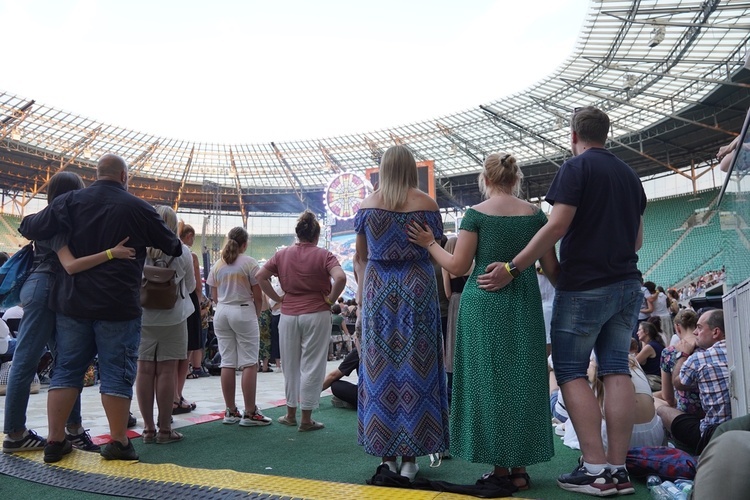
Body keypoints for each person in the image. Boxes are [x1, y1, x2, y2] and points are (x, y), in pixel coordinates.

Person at [473, 107, 646, 496]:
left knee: (569, 370)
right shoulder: (630, 175)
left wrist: (512, 267)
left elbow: (557, 224)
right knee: (616, 369)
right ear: (607, 133)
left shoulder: (577, 168)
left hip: (585, 284)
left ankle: (594, 468)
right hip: (627, 283)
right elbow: (637, 241)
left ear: (573, 136)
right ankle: (617, 470)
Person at [408, 151, 559, 490]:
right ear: (515, 178)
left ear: (486, 179)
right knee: (523, 380)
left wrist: (430, 242)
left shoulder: (475, 214)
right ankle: (519, 467)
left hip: (483, 304)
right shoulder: (536, 215)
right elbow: (552, 270)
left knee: (489, 382)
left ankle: (500, 469)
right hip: (524, 304)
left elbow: (459, 267)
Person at [18, 154, 183, 463]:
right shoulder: (138, 208)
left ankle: (55, 441)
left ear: (97, 174)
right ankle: (119, 442)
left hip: (73, 302)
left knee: (66, 369)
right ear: (124, 176)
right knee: (115, 372)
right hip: (118, 304)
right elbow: (173, 246)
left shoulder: (69, 202)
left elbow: (28, 225)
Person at [3, 171, 135, 456]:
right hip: (48, 287)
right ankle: (15, 432)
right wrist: (111, 253)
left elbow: (27, 226)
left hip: (42, 287)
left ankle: (72, 430)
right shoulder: (59, 220)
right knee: (28, 359)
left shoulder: (48, 217)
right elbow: (71, 265)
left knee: (67, 363)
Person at [354, 145, 450, 481]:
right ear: (411, 169)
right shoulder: (426, 204)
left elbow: (361, 258)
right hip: (417, 290)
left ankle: (386, 458)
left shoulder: (367, 207)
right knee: (416, 367)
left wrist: (366, 300)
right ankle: (411, 458)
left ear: (382, 170)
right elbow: (436, 248)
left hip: (378, 289)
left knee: (380, 371)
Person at [257, 211, 346, 432]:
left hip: (288, 314)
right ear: (316, 235)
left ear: (298, 234)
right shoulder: (324, 255)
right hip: (316, 312)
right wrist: (330, 300)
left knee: (290, 365)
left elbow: (260, 276)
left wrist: (277, 298)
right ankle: (306, 419)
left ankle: (290, 414)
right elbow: (341, 278)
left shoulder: (282, 255)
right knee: (312, 365)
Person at [135, 206, 196, 444]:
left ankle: (148, 429)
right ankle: (164, 429)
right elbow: (190, 287)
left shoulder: (139, 249)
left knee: (144, 370)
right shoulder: (182, 252)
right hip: (174, 316)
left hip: (143, 317)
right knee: (167, 371)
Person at [206, 227, 271, 427]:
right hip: (243, 310)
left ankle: (231, 411)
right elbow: (258, 295)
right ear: (245, 244)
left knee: (227, 362)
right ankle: (250, 412)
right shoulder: (250, 263)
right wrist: (256, 313)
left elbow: (214, 296)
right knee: (250, 362)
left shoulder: (218, 264)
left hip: (222, 312)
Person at [656, 309, 730, 455]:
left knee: (657, 405)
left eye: (700, 328)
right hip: (733, 423)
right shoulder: (737, 349)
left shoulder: (690, 356)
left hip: (708, 432)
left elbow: (671, 394)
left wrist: (682, 354)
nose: (696, 332)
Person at [653, 310, 702, 415]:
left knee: (652, 400)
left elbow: (668, 397)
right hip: (710, 410)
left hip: (686, 413)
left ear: (678, 328)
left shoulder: (669, 352)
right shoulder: (707, 346)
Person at [441, 236, 473, 395]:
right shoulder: (471, 263)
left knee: (453, 343)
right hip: (471, 302)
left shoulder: (446, 266)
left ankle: (453, 387)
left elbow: (447, 292)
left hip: (455, 302)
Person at [181, 223, 209, 380]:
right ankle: (186, 372)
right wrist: (198, 303)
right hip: (189, 302)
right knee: (190, 343)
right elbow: (197, 286)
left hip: (169, 303)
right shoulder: (191, 256)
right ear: (189, 236)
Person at [635, 321, 665, 391]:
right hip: (658, 379)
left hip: (653, 380)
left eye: (639, 330)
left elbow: (634, 362)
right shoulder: (655, 344)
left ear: (646, 332)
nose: (637, 333)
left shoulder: (650, 347)